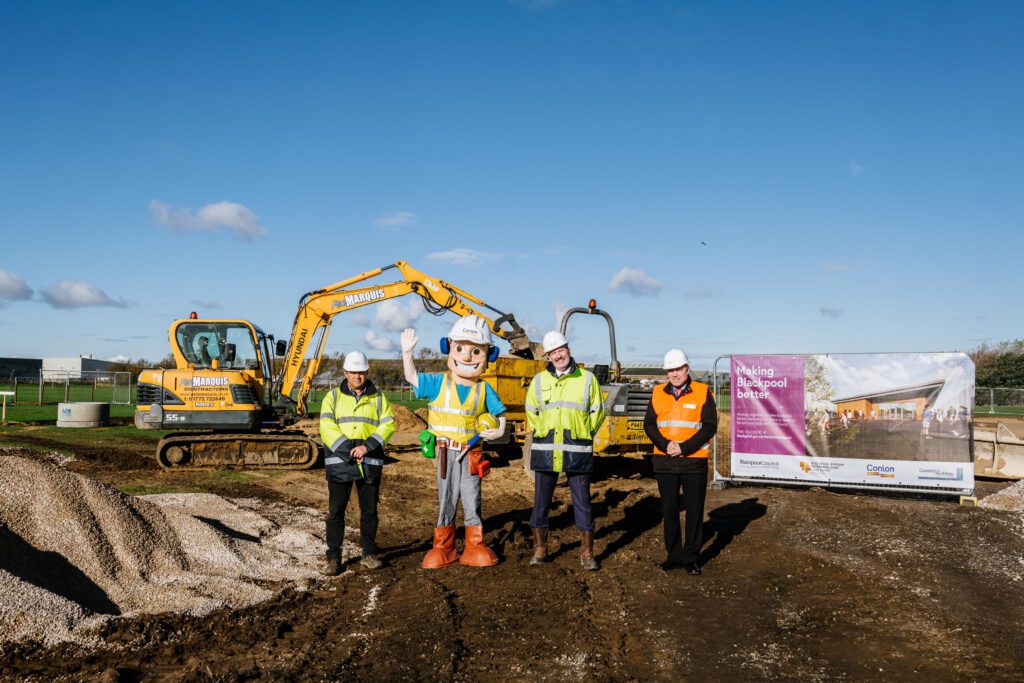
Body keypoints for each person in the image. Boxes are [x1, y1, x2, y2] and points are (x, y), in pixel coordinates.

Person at [401, 315, 507, 569]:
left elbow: (501, 417)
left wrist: (499, 429)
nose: (467, 357)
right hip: (445, 453)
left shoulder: (483, 389)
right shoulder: (439, 382)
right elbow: (412, 378)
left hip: (471, 454)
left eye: (476, 351)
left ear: (488, 355)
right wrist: (407, 354)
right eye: (460, 348)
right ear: (448, 348)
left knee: (472, 497)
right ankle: (443, 547)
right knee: (446, 497)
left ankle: (474, 545)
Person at [525, 331, 606, 571]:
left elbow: (597, 410)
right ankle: (540, 549)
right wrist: (542, 429)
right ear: (548, 356)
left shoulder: (588, 379)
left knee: (583, 501)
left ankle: (587, 553)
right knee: (541, 501)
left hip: (577, 449)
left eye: (561, 350)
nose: (558, 355)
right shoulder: (539, 381)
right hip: (546, 448)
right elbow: (531, 409)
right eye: (553, 352)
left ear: (568, 349)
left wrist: (584, 432)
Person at [319, 350, 396, 575]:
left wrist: (366, 446)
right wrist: (348, 450)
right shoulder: (332, 397)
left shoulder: (379, 397)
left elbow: (388, 425)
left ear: (366, 372)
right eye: (353, 372)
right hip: (340, 462)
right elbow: (326, 427)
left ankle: (369, 554)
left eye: (361, 372)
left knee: (369, 511)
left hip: (369, 461)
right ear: (345, 372)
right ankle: (333, 558)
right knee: (335, 512)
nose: (357, 376)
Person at [643, 348, 718, 576]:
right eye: (670, 370)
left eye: (678, 369)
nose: (674, 374)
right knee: (669, 510)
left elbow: (709, 426)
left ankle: (691, 558)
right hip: (665, 462)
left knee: (694, 511)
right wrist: (666, 445)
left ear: (687, 368)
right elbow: (649, 425)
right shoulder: (657, 393)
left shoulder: (703, 392)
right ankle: (673, 556)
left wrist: (684, 448)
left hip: (693, 462)